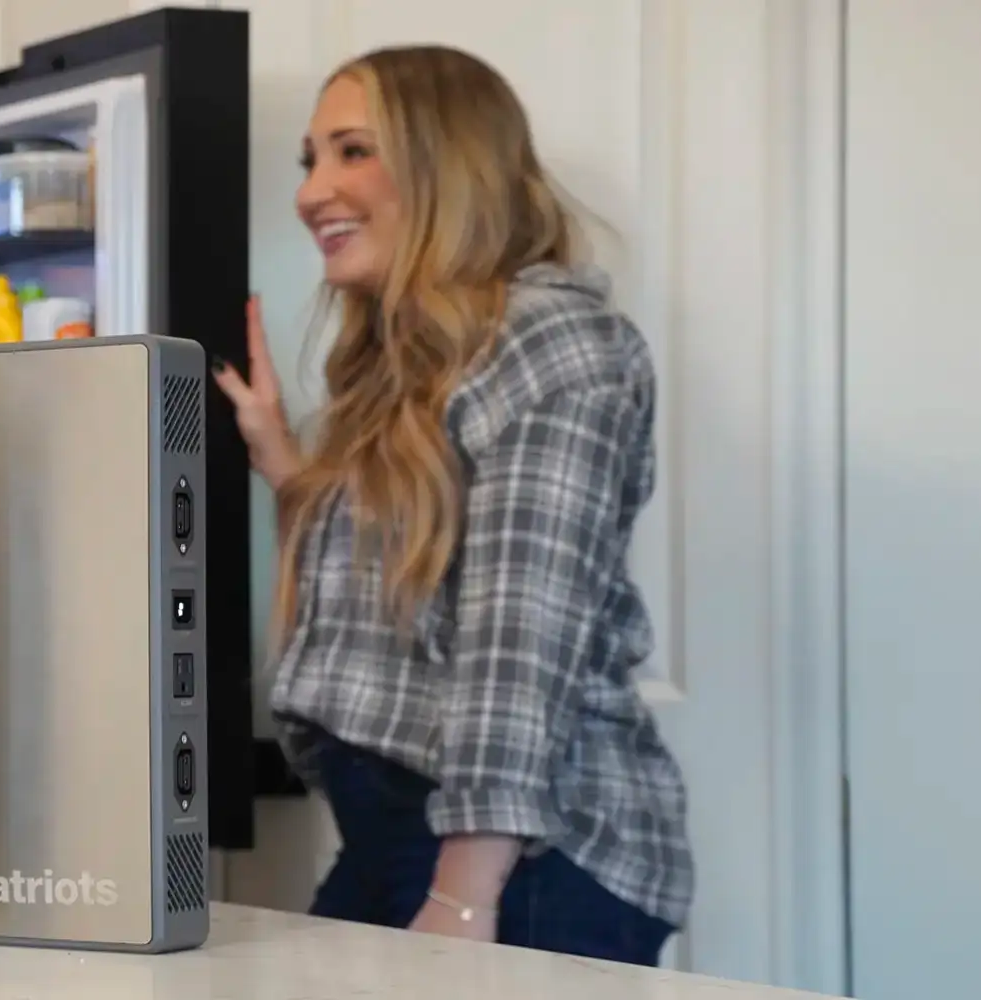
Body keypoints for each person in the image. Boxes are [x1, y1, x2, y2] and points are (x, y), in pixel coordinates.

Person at [209, 45, 691, 965]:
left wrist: (463, 901)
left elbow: (519, 644)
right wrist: (289, 468)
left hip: (524, 864)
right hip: (409, 836)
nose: (312, 192)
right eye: (311, 159)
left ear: (447, 166)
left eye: (354, 151)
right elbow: (404, 588)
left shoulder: (555, 342)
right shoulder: (414, 359)